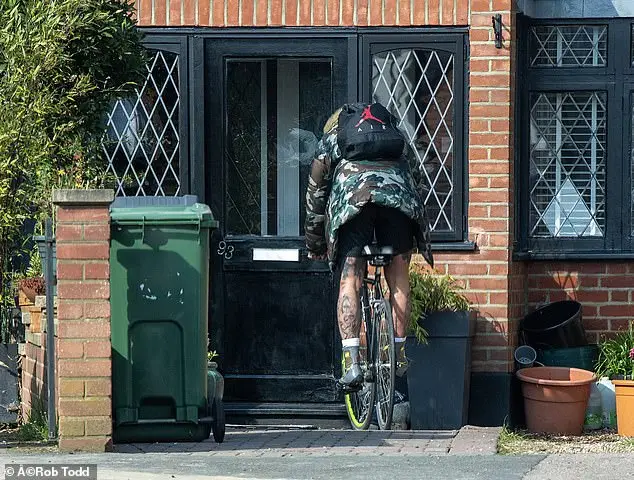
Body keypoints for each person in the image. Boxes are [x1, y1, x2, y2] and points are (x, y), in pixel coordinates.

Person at [304, 102, 434, 392]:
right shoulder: (392, 133)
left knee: (351, 274)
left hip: (355, 202)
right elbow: (418, 178)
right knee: (398, 270)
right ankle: (398, 354)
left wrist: (315, 242)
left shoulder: (333, 138)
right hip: (398, 200)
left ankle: (352, 363)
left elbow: (317, 191)